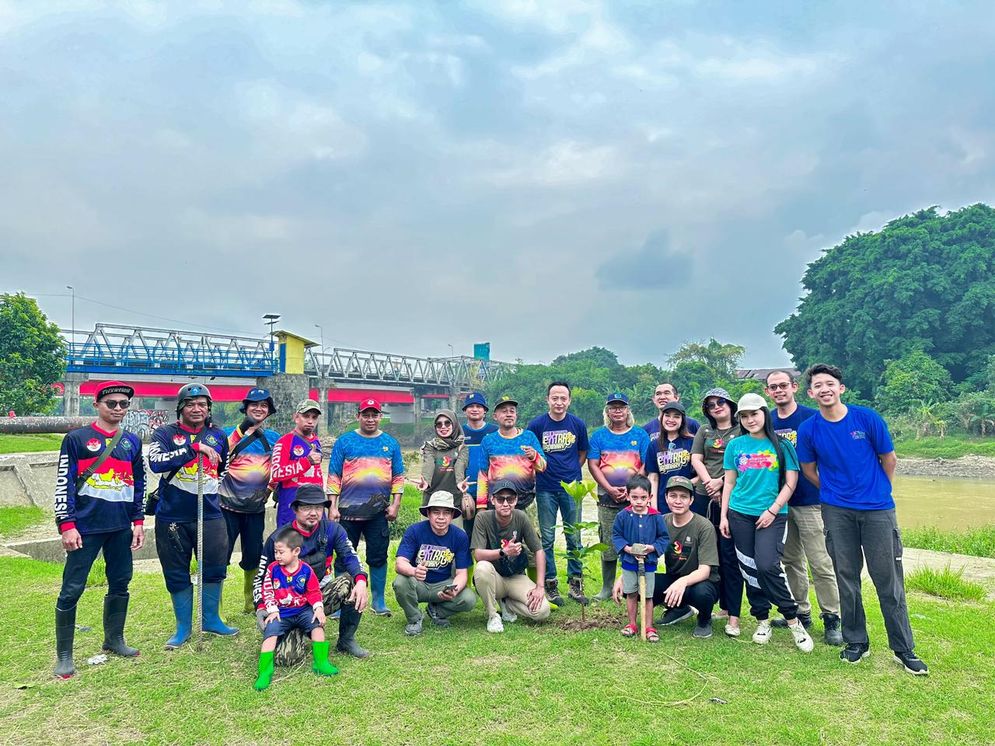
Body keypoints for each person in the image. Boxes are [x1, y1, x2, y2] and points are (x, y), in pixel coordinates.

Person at [797, 364, 928, 675]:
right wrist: (832, 491)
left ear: (841, 388)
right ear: (811, 393)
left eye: (830, 383)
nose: (825, 389)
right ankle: (856, 641)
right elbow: (808, 469)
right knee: (846, 577)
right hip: (836, 511)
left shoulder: (867, 418)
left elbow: (889, 459)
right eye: (818, 385)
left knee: (888, 579)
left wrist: (880, 489)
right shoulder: (809, 429)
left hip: (878, 509)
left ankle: (903, 648)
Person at [52, 381, 146, 679]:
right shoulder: (76, 439)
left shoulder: (132, 441)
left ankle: (114, 639)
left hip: (120, 527)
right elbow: (64, 483)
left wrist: (138, 521)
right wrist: (67, 525)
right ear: (97, 405)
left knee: (120, 582)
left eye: (123, 404)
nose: (118, 408)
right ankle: (64, 656)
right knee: (72, 589)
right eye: (111, 403)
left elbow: (139, 484)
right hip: (85, 527)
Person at [719, 393, 813, 653]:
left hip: (773, 514)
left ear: (764, 414)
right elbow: (729, 482)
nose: (750, 420)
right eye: (744, 416)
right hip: (739, 513)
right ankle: (762, 619)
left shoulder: (782, 446)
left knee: (767, 564)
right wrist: (724, 516)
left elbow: (790, 483)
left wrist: (772, 510)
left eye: (755, 414)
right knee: (749, 568)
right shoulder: (735, 446)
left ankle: (793, 620)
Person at [148, 383, 237, 649]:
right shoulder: (164, 433)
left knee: (215, 567)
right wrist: (192, 449)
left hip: (209, 514)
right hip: (172, 516)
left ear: (209, 408)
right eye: (190, 404)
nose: (197, 409)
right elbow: (156, 463)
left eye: (202, 404)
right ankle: (183, 628)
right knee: (176, 570)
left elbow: (223, 468)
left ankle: (211, 620)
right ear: (180, 408)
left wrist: (210, 487)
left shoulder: (218, 435)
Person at [765, 370, 843, 645]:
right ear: (767, 392)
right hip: (780, 503)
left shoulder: (812, 417)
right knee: (790, 561)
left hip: (810, 501)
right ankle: (801, 612)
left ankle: (832, 617)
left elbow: (828, 454)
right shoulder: (767, 421)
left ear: (795, 387)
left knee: (820, 561)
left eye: (783, 385)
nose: (779, 391)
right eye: (773, 387)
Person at [254, 484, 370, 662]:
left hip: (317, 598)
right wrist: (261, 607)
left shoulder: (333, 530)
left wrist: (361, 580)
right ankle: (296, 631)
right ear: (295, 509)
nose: (313, 513)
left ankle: (346, 640)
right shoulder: (278, 538)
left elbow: (350, 556)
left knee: (352, 581)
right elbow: (260, 578)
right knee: (286, 659)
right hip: (287, 607)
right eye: (307, 507)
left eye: (318, 507)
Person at [327, 397, 405, 616]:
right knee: (343, 556)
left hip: (379, 513)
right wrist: (332, 506)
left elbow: (398, 477)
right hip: (347, 513)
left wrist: (396, 505)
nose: (370, 419)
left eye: (374, 415)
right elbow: (334, 476)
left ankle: (378, 600)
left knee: (378, 556)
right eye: (366, 415)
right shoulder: (344, 441)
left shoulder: (390, 443)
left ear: (380, 417)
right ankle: (340, 600)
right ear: (358, 416)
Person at [526, 381, 590, 606]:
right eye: (555, 398)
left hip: (572, 488)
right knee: (548, 538)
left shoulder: (577, 424)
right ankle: (551, 584)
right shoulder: (537, 425)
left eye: (563, 398)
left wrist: (571, 471)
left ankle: (576, 583)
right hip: (545, 488)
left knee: (574, 536)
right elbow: (532, 456)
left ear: (569, 400)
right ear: (548, 400)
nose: (559, 402)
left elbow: (582, 452)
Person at [253, 526, 338, 691]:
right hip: (280, 613)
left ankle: (321, 663)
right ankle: (264, 672)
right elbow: (267, 591)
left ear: (296, 551)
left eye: (281, 552)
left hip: (303, 610)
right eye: (275, 552)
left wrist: (318, 609)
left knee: (317, 627)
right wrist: (272, 610)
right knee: (270, 634)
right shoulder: (272, 569)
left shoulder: (306, 570)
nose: (277, 556)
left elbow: (314, 592)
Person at [219, 387, 281, 614]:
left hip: (255, 509)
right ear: (245, 408)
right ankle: (217, 607)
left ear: (269, 411)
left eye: (264, 405)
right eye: (254, 404)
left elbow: (279, 468)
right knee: (220, 556)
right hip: (226, 506)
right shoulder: (227, 433)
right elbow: (221, 453)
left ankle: (250, 600)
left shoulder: (273, 438)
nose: (259, 408)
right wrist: (243, 429)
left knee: (254, 555)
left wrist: (271, 489)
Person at [690, 387, 744, 637]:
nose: (716, 407)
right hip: (704, 495)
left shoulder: (742, 429)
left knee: (729, 554)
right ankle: (706, 605)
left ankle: (731, 609)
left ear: (730, 404)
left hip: (733, 495)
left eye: (720, 402)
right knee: (706, 552)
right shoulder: (704, 430)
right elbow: (696, 459)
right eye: (711, 405)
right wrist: (709, 482)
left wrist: (721, 482)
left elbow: (743, 461)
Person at [587, 392, 650, 602]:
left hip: (634, 497)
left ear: (627, 410)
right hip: (607, 497)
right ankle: (607, 587)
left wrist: (630, 488)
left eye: (621, 407)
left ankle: (633, 585)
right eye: (613, 407)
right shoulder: (599, 436)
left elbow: (645, 463)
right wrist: (610, 488)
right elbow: (593, 464)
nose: (617, 411)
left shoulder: (640, 435)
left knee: (635, 539)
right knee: (607, 541)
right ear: (607, 411)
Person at [393, 491, 477, 635]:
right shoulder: (414, 531)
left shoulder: (460, 536)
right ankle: (414, 618)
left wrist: (454, 589)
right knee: (400, 582)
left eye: (446, 513)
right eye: (436, 512)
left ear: (452, 515)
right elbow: (400, 563)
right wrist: (414, 571)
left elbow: (462, 573)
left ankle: (436, 611)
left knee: (469, 599)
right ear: (428, 513)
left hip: (443, 584)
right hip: (418, 583)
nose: (441, 517)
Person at [471, 481, 551, 632]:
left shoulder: (521, 517)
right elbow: (478, 554)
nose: (505, 503)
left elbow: (539, 551)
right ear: (492, 500)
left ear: (516, 500)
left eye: (510, 499)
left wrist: (540, 586)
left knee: (542, 611)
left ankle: (508, 605)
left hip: (516, 576)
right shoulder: (482, 518)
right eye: (500, 499)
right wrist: (504, 552)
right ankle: (493, 615)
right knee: (481, 568)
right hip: (494, 578)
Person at [651, 476, 722, 639]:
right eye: (673, 496)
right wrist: (626, 575)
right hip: (674, 577)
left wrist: (682, 582)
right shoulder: (662, 521)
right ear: (666, 498)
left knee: (702, 593)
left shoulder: (704, 526)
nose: (678, 501)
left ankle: (704, 620)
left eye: (683, 496)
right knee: (635, 583)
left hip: (702, 581)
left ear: (691, 500)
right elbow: (647, 552)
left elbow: (705, 571)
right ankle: (679, 609)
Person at [611, 475, 668, 643]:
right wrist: (627, 549)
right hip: (629, 563)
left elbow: (664, 538)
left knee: (648, 595)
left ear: (650, 497)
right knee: (631, 593)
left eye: (643, 498)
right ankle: (632, 624)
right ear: (628, 496)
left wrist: (652, 548)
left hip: (648, 564)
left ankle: (649, 626)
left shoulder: (656, 517)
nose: (639, 502)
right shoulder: (623, 516)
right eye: (634, 497)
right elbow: (616, 536)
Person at [477, 395, 547, 520]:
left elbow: (542, 467)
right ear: (495, 416)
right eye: (504, 411)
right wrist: (481, 507)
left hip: (526, 503)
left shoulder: (529, 437)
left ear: (516, 415)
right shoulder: (488, 440)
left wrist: (534, 456)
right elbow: (482, 475)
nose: (509, 414)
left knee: (530, 533)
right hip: (497, 505)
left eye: (512, 411)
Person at [270, 399, 324, 528]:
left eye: (314, 417)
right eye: (306, 416)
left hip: (315, 505)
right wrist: (307, 462)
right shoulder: (284, 441)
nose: (310, 421)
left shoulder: (316, 441)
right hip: (292, 507)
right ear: (296, 417)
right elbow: (276, 473)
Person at [416, 409, 472, 527]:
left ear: (454, 424)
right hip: (431, 503)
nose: (443, 427)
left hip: (454, 504)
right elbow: (428, 464)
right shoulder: (429, 446)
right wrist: (425, 481)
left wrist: (460, 482)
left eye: (447, 423)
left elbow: (460, 465)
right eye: (439, 424)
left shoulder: (462, 447)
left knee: (454, 536)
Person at [644, 400, 697, 514]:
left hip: (688, 502)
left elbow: (701, 474)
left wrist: (685, 484)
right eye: (667, 415)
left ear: (682, 420)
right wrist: (654, 508)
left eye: (676, 416)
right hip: (663, 502)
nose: (671, 420)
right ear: (662, 418)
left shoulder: (692, 442)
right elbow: (653, 478)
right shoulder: (654, 445)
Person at [460, 392, 498, 539]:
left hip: (491, 491)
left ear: (485, 411)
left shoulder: (494, 431)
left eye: (478, 406)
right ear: (465, 410)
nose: (475, 409)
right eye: (471, 406)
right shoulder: (458, 433)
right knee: (469, 534)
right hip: (467, 493)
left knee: (492, 533)